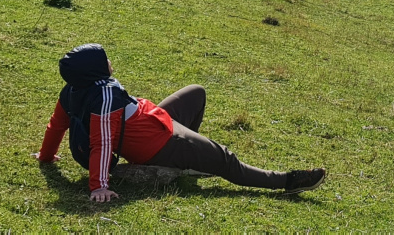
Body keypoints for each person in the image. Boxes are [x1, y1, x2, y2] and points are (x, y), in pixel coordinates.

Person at [34, 44, 324, 201]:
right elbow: (102, 143)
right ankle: (286, 182)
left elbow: (56, 126)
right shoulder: (104, 99)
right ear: (94, 70)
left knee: (196, 93)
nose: (111, 62)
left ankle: (191, 164)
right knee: (225, 159)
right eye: (105, 60)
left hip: (157, 123)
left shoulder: (73, 90)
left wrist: (46, 157)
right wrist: (98, 186)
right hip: (161, 143)